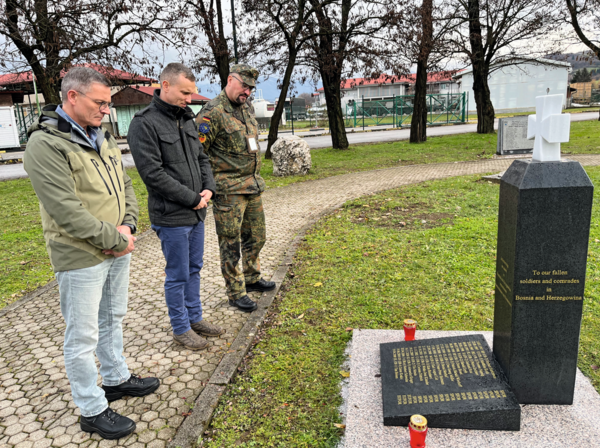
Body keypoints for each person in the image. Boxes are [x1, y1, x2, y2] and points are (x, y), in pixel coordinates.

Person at [23, 67, 159, 440]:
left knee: (112, 317)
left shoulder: (101, 134)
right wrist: (115, 239)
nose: (106, 110)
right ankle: (91, 407)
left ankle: (115, 379)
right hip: (80, 254)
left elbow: (125, 185)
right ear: (72, 97)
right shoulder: (45, 144)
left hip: (117, 245)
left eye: (108, 103)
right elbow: (65, 209)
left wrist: (128, 226)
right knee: (81, 337)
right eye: (100, 103)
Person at [128, 63, 224, 351]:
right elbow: (153, 175)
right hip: (172, 217)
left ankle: (195, 319)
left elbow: (202, 159)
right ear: (165, 86)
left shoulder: (187, 119)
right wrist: (192, 198)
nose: (189, 98)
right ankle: (180, 328)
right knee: (178, 274)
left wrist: (208, 188)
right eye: (185, 92)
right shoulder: (144, 123)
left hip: (197, 212)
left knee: (194, 268)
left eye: (192, 93)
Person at [196, 64, 276, 313]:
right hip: (228, 191)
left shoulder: (246, 107)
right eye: (244, 85)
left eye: (251, 88)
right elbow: (199, 154)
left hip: (252, 186)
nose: (248, 92)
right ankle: (235, 291)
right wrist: (210, 187)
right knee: (230, 243)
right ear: (230, 79)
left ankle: (252, 278)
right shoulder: (212, 113)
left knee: (256, 237)